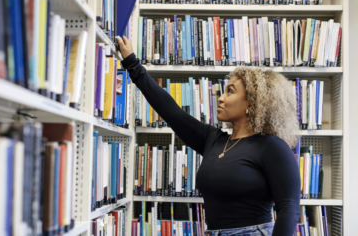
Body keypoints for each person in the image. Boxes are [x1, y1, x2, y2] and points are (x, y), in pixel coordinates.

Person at [117, 35, 301, 236]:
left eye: (230, 92)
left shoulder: (272, 146)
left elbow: (288, 209)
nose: (221, 98)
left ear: (252, 102)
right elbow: (170, 111)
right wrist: (132, 64)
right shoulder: (213, 140)